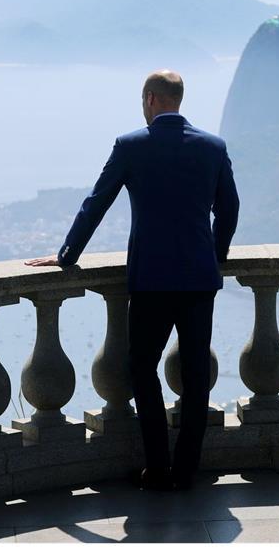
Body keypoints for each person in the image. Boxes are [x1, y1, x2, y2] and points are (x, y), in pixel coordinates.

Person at [25, 69, 239, 491]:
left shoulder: (131, 146)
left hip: (151, 280)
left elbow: (96, 203)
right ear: (179, 99)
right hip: (199, 279)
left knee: (142, 369)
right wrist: (214, 256)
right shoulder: (213, 147)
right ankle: (187, 470)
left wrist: (67, 256)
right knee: (197, 377)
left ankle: (157, 467)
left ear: (150, 99)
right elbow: (229, 208)